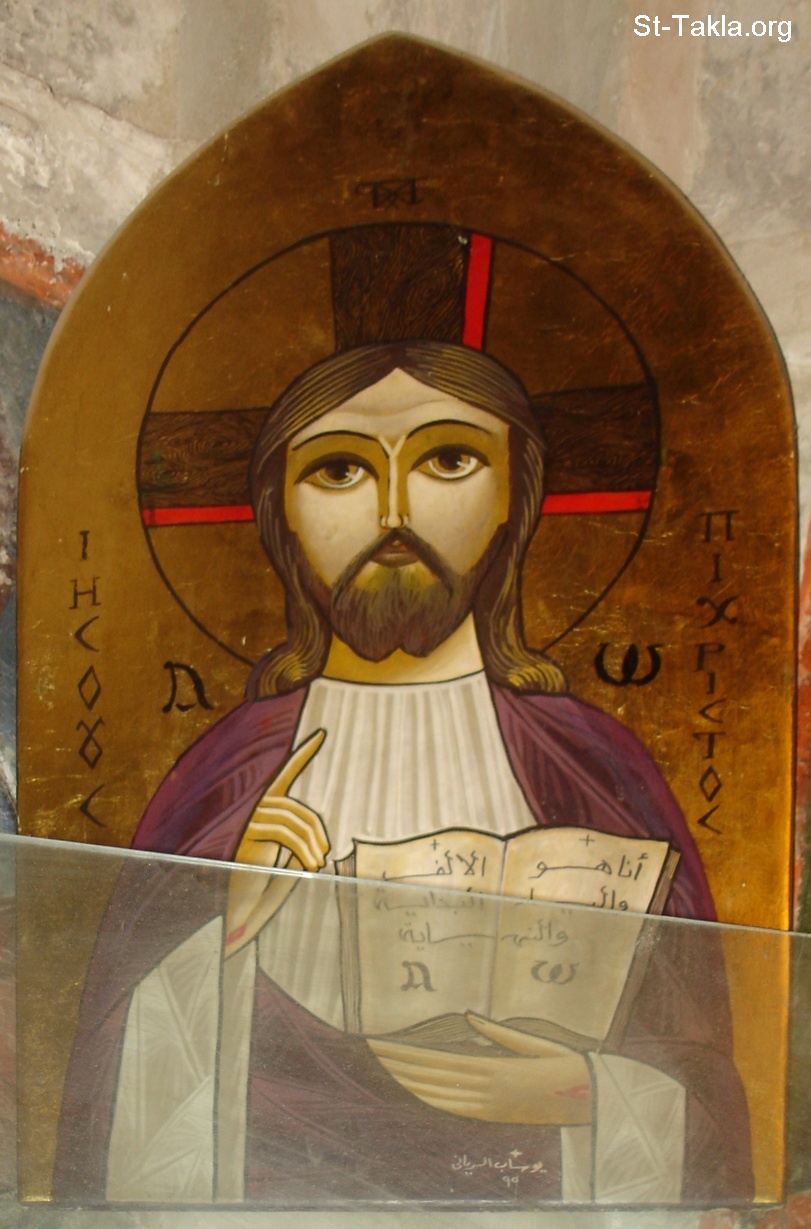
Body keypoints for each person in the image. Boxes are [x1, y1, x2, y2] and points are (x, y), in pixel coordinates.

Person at [53, 340, 753, 1206]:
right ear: (281, 512)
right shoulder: (228, 776)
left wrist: (588, 1092)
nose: (393, 510)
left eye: (447, 460)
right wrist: (224, 929)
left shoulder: (592, 769)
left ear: (513, 495)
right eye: (339, 469)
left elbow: (702, 1088)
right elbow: (104, 1103)